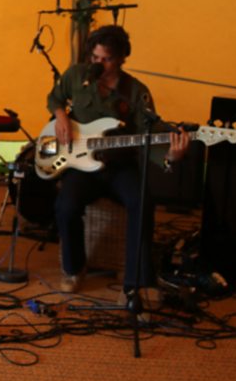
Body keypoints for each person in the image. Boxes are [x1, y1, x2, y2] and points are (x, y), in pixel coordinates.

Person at [46, 24, 189, 295]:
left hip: (120, 165)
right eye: (95, 57)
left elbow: (148, 134)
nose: (99, 64)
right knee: (65, 206)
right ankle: (74, 269)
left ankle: (136, 284)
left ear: (122, 58)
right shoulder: (77, 75)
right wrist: (61, 116)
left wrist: (172, 155)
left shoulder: (135, 91)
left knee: (142, 202)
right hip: (81, 163)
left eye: (107, 59)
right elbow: (55, 97)